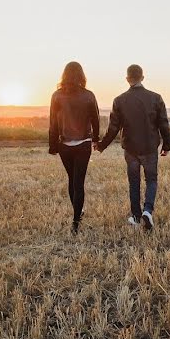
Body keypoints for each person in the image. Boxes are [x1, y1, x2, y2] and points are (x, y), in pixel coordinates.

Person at [97, 64, 170, 230]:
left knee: (134, 182)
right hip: (150, 147)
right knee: (151, 180)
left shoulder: (119, 100)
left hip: (130, 149)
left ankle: (136, 217)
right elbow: (163, 124)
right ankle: (148, 211)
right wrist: (166, 145)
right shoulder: (156, 98)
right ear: (142, 78)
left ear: (127, 79)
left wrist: (102, 145)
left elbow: (113, 129)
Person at [49, 61, 101, 233]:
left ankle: (77, 215)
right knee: (79, 183)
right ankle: (76, 221)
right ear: (81, 75)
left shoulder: (57, 96)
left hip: (64, 144)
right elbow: (95, 119)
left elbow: (53, 123)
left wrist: (52, 145)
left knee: (72, 180)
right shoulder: (88, 95)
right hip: (83, 144)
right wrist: (96, 139)